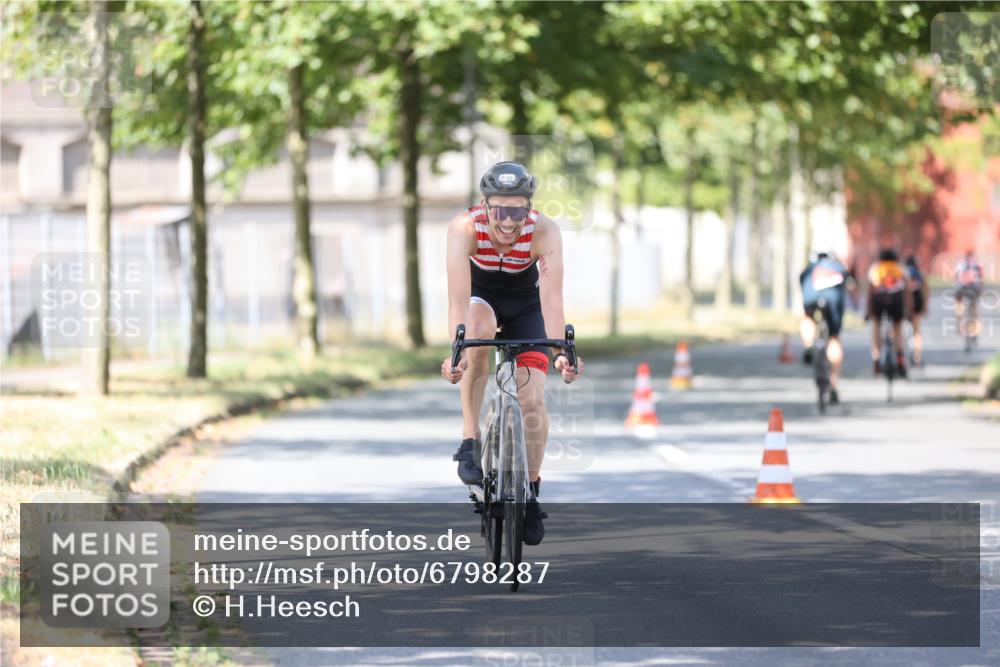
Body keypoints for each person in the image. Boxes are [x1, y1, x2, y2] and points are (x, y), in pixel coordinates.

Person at [441, 161, 583, 546]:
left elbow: (552, 299)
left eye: (517, 211)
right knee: (478, 334)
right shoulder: (464, 228)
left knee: (532, 402)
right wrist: (457, 351)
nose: (508, 221)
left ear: (529, 209)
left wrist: (561, 351)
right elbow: (457, 298)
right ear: (485, 206)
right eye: (500, 210)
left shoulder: (544, 231)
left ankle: (531, 491)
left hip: (527, 305)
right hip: (480, 299)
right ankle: (470, 439)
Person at [799, 252, 854, 404]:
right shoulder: (838, 267)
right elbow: (851, 283)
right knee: (834, 338)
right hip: (833, 300)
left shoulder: (810, 268)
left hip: (811, 296)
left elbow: (801, 282)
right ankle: (834, 386)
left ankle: (809, 345)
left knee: (808, 317)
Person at [867, 248, 911, 377]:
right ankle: (900, 359)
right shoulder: (900, 268)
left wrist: (869, 311)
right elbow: (907, 291)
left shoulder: (876, 268)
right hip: (897, 300)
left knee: (876, 326)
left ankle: (876, 360)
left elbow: (871, 291)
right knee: (897, 329)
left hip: (879, 300)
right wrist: (907, 309)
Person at [954, 250, 984, 343]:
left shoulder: (961, 264)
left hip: (961, 291)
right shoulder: (977, 264)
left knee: (959, 310)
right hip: (974, 291)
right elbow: (981, 279)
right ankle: (975, 333)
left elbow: (956, 276)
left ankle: (959, 326)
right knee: (974, 313)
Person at [904, 254, 929, 366]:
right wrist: (925, 305)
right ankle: (917, 357)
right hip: (917, 298)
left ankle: (899, 355)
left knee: (897, 328)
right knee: (917, 331)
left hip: (905, 301)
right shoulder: (919, 273)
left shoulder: (904, 272)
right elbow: (926, 288)